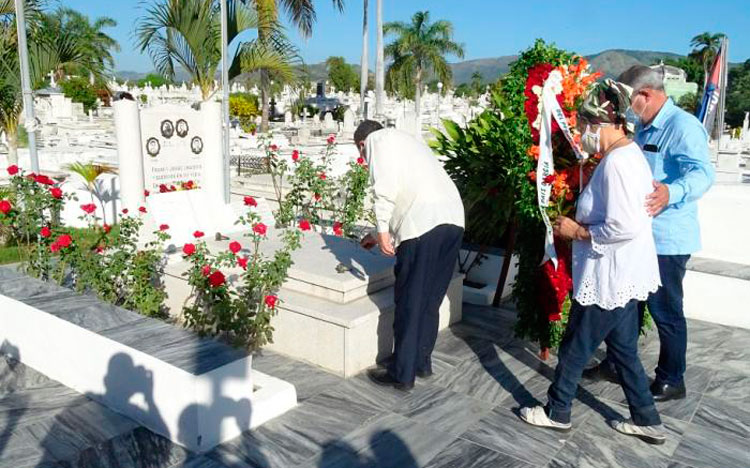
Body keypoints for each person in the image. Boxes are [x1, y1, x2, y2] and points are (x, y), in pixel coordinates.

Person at [520, 80, 665, 444]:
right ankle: (646, 418)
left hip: (609, 274)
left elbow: (624, 225)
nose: (582, 132)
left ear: (604, 124)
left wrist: (576, 231)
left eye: (585, 125)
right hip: (625, 273)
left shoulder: (617, 163)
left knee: (575, 346)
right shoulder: (629, 155)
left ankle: (557, 411)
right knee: (623, 349)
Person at [583, 66, 715, 402]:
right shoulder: (641, 128)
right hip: (637, 237)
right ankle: (616, 363)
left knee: (665, 312)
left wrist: (673, 191)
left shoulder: (682, 127)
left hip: (667, 240)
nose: (625, 107)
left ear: (646, 95)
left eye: (629, 100)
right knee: (627, 305)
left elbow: (702, 173)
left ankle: (672, 378)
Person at [355, 120, 465, 391]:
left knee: (410, 299)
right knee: (430, 298)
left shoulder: (376, 142)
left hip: (422, 228)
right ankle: (420, 363)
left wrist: (382, 232)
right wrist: (376, 232)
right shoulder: (407, 141)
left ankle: (402, 373)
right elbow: (411, 194)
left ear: (361, 144)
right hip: (453, 221)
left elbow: (385, 189)